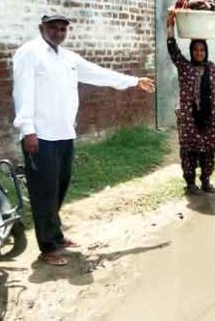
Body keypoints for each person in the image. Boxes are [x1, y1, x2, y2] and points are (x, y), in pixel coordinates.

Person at [12, 15, 155, 266]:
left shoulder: (69, 58)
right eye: (53, 28)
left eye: (62, 28)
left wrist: (134, 81)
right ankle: (47, 248)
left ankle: (55, 234)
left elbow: (99, 74)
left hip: (65, 133)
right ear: (41, 28)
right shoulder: (29, 53)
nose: (58, 32)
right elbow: (22, 93)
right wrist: (28, 130)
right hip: (40, 136)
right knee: (43, 191)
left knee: (60, 185)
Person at [166, 10, 215, 195]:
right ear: (191, 51)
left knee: (209, 151)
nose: (199, 53)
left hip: (211, 120)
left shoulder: (214, 70)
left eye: (202, 50)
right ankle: (190, 183)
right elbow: (173, 50)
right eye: (195, 49)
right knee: (189, 151)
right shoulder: (185, 67)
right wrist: (170, 26)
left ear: (206, 51)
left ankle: (206, 181)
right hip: (189, 121)